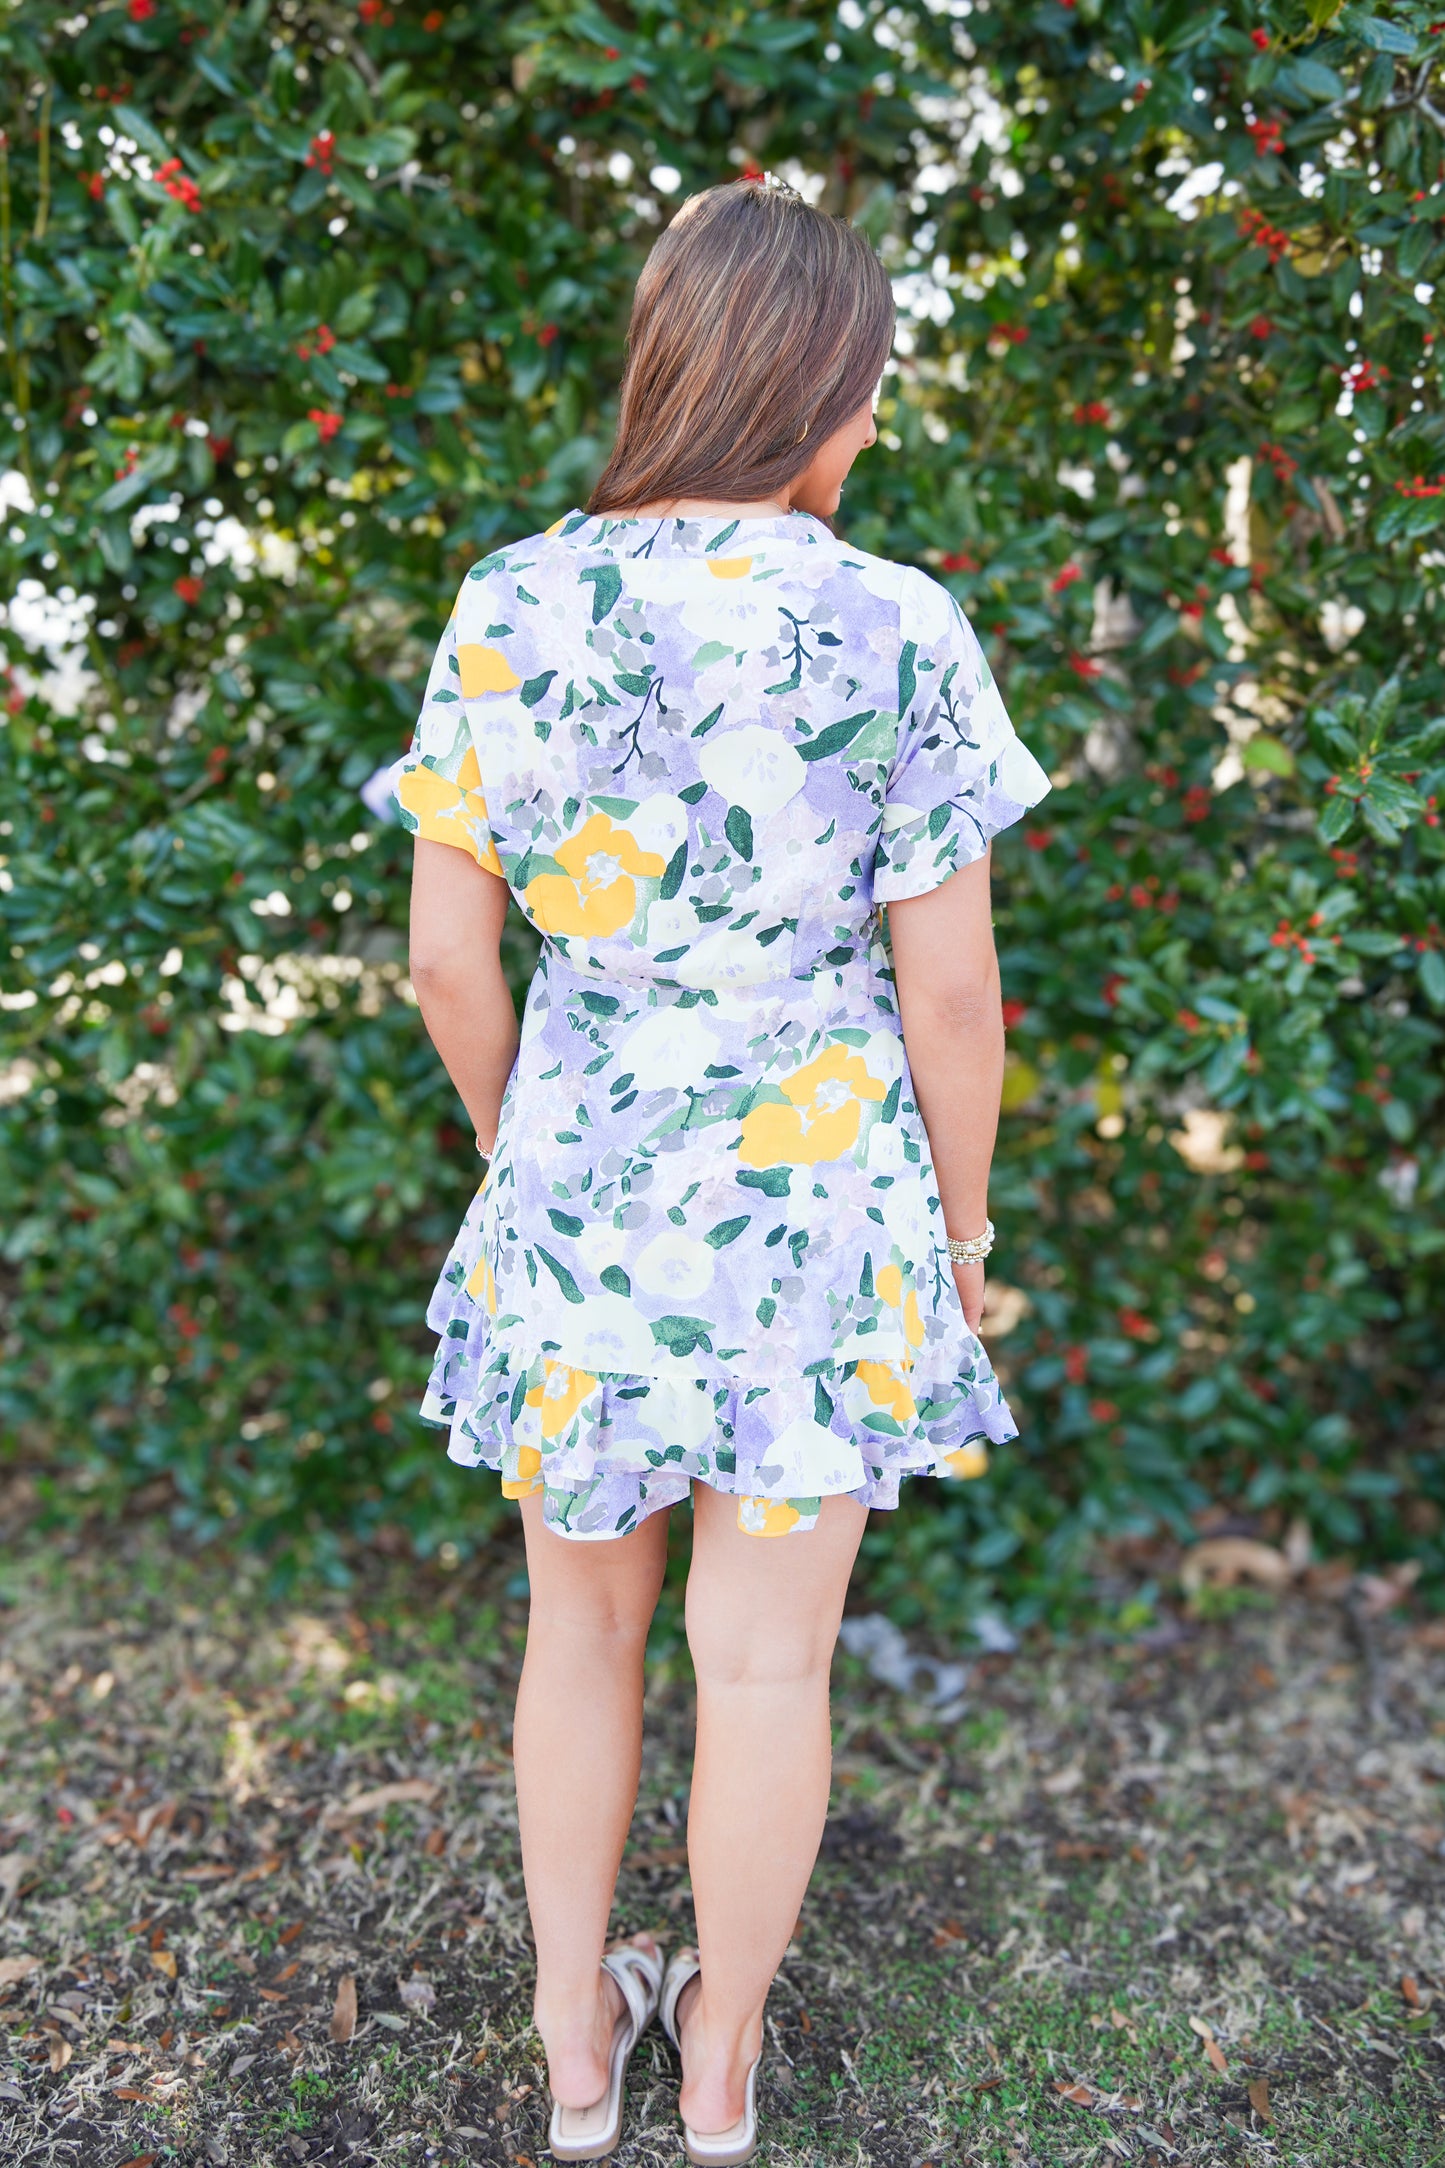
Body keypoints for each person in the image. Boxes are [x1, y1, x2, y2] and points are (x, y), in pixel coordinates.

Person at [393, 173, 1049, 2165]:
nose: (875, 417)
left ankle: (574, 2057)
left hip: (583, 1185)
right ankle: (723, 2069)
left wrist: (518, 1148)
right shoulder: (896, 620)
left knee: (579, 1634)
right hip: (818, 1213)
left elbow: (445, 962)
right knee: (764, 1666)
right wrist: (962, 1229)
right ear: (823, 387)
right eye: (872, 382)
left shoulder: (512, 602)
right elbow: (953, 997)